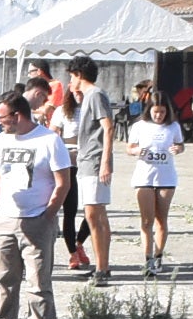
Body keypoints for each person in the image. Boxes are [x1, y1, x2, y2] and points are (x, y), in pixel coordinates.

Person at [0, 91, 69, 319]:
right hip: (6, 218)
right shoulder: (2, 139)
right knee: (4, 279)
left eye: (2, 117)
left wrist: (49, 214)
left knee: (38, 281)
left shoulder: (49, 140)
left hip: (37, 219)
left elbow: (63, 182)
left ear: (17, 115)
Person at [67, 58, 119, 282]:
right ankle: (102, 266)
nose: (70, 80)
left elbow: (108, 128)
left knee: (93, 215)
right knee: (97, 215)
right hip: (87, 159)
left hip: (95, 161)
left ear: (79, 74)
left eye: (71, 75)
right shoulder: (88, 97)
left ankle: (102, 268)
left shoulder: (96, 95)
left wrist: (105, 161)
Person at [128, 99, 184, 275]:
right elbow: (129, 148)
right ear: (149, 111)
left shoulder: (173, 126)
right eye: (155, 112)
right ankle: (147, 257)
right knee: (146, 220)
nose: (159, 116)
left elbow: (180, 145)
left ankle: (158, 255)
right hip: (144, 177)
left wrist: (178, 149)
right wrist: (137, 151)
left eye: (162, 112)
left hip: (166, 177)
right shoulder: (139, 126)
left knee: (161, 219)